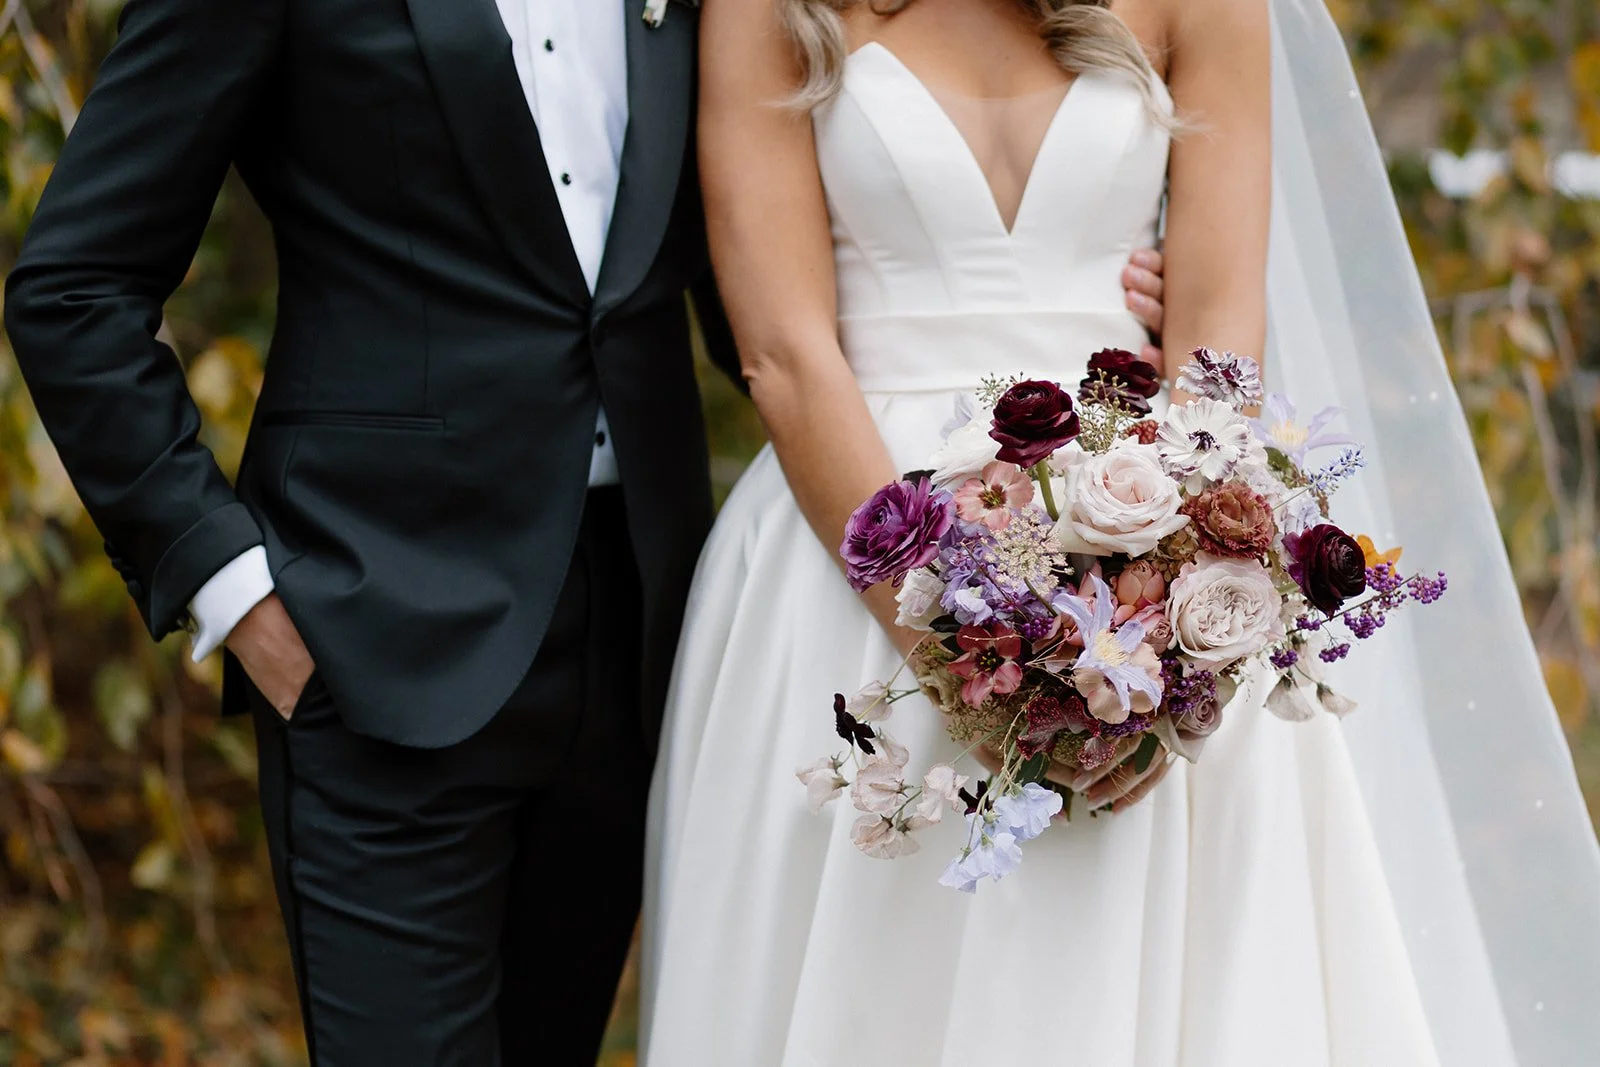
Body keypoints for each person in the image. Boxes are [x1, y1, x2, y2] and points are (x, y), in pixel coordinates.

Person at [1, 0, 1168, 1060]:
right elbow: (73, 288)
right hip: (368, 636)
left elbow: (765, 285)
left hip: (642, 634)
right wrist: (231, 587)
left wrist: (1053, 341)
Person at [641, 0, 1600, 1064]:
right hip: (851, 555)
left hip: (1137, 546)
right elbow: (780, 351)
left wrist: (1176, 618)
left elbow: (1219, 337)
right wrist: (953, 653)